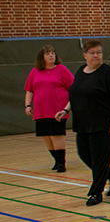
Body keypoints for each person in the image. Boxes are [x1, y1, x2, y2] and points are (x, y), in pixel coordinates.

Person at [55, 40, 110, 206]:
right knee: (85, 155)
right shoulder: (81, 72)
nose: (96, 56)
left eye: (98, 52)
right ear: (85, 55)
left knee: (100, 159)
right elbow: (77, 95)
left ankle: (96, 193)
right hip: (84, 123)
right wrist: (66, 110)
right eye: (92, 53)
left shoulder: (108, 73)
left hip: (103, 124)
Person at [24, 45, 74, 173]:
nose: (51, 55)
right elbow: (29, 90)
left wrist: (68, 106)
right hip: (41, 110)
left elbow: (73, 87)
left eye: (52, 53)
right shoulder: (35, 71)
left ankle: (61, 163)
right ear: (42, 57)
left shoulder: (62, 69)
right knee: (46, 136)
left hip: (58, 109)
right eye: (48, 53)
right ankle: (56, 160)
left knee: (56, 135)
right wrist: (28, 105)